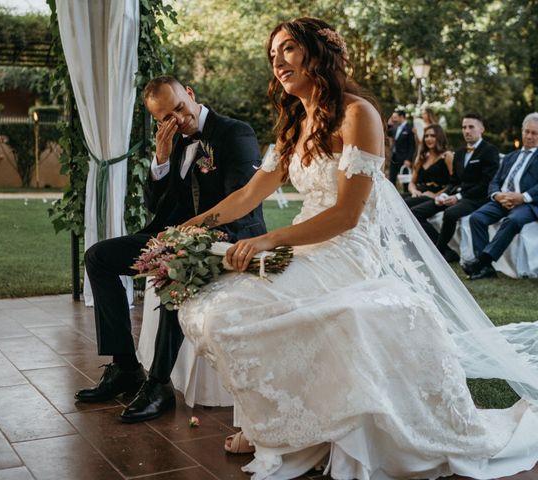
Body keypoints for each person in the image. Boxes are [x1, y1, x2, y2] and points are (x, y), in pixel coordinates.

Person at [177, 17, 538, 480]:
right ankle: (273, 424)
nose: (278, 62)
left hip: (346, 250)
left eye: (287, 49)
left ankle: (277, 429)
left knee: (236, 310)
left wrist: (269, 239)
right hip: (306, 244)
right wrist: (186, 230)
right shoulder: (294, 124)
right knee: (214, 307)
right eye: (273, 55)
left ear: (316, 54)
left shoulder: (357, 114)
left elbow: (347, 214)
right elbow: (248, 195)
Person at [75, 76, 266, 423]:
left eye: (179, 108)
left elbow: (242, 202)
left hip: (225, 240)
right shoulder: (175, 140)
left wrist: (188, 238)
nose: (177, 120)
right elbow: (157, 207)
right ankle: (125, 366)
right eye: (166, 118)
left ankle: (159, 384)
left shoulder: (234, 133)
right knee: (98, 258)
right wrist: (160, 160)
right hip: (172, 236)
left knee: (172, 268)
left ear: (190, 94)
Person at [411, 113, 499, 262]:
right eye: (464, 127)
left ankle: (437, 253)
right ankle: (447, 251)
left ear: (481, 129)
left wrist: (458, 197)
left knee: (450, 214)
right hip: (453, 196)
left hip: (475, 198)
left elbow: (485, 184)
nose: (467, 131)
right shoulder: (459, 152)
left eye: (471, 127)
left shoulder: (489, 150)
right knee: (415, 213)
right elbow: (453, 181)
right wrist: (444, 195)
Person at [464, 112, 538, 280]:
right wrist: (498, 196)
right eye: (527, 131)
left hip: (527, 204)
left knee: (513, 220)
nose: (529, 136)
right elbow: (495, 181)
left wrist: (522, 197)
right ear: (522, 131)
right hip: (502, 200)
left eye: (534, 133)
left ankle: (482, 261)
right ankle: (487, 269)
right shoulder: (511, 156)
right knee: (476, 217)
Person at [404, 123, 453, 209]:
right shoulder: (422, 157)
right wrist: (414, 191)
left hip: (436, 196)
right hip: (418, 193)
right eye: (426, 136)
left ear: (439, 137)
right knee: (393, 199)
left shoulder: (447, 155)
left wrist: (435, 195)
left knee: (404, 204)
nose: (428, 139)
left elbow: (454, 183)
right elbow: (412, 182)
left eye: (432, 136)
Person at [386, 109, 415, 189]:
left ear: (401, 117)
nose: (393, 119)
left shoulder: (409, 129)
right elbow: (387, 133)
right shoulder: (395, 128)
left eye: (395, 117)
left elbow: (412, 145)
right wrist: (389, 124)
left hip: (404, 159)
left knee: (405, 181)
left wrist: (409, 159)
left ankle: (407, 198)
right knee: (391, 180)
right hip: (394, 158)